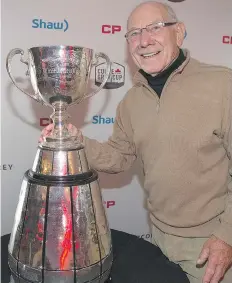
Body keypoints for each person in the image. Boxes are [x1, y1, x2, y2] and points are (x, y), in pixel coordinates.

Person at [40, 1, 232, 283]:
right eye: (134, 33)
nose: (144, 41)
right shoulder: (131, 102)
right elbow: (119, 157)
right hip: (158, 237)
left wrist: (226, 236)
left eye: (155, 28)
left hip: (211, 245)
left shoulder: (223, 85)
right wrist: (76, 140)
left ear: (178, 32)